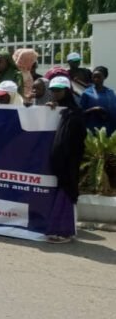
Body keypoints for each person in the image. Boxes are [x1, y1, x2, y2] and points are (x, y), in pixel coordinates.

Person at [46, 76, 86, 243]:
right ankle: (57, 228)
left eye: (58, 91)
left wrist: (67, 160)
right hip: (58, 162)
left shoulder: (75, 114)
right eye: (53, 91)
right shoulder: (56, 110)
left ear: (67, 91)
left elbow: (76, 142)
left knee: (67, 191)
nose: (55, 94)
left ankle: (65, 231)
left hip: (69, 162)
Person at [79, 66, 116, 135]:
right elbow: (80, 112)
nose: (96, 79)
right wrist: (94, 109)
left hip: (110, 130)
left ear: (104, 77)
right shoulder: (86, 93)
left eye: (99, 77)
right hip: (93, 130)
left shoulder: (110, 92)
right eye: (94, 77)